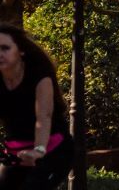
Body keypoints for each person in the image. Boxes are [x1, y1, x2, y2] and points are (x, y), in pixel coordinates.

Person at [0, 24, 74, 190]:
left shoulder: (39, 75)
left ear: (21, 51)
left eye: (5, 48)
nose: (0, 54)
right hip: (16, 151)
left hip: (52, 149)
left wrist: (39, 151)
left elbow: (44, 117)